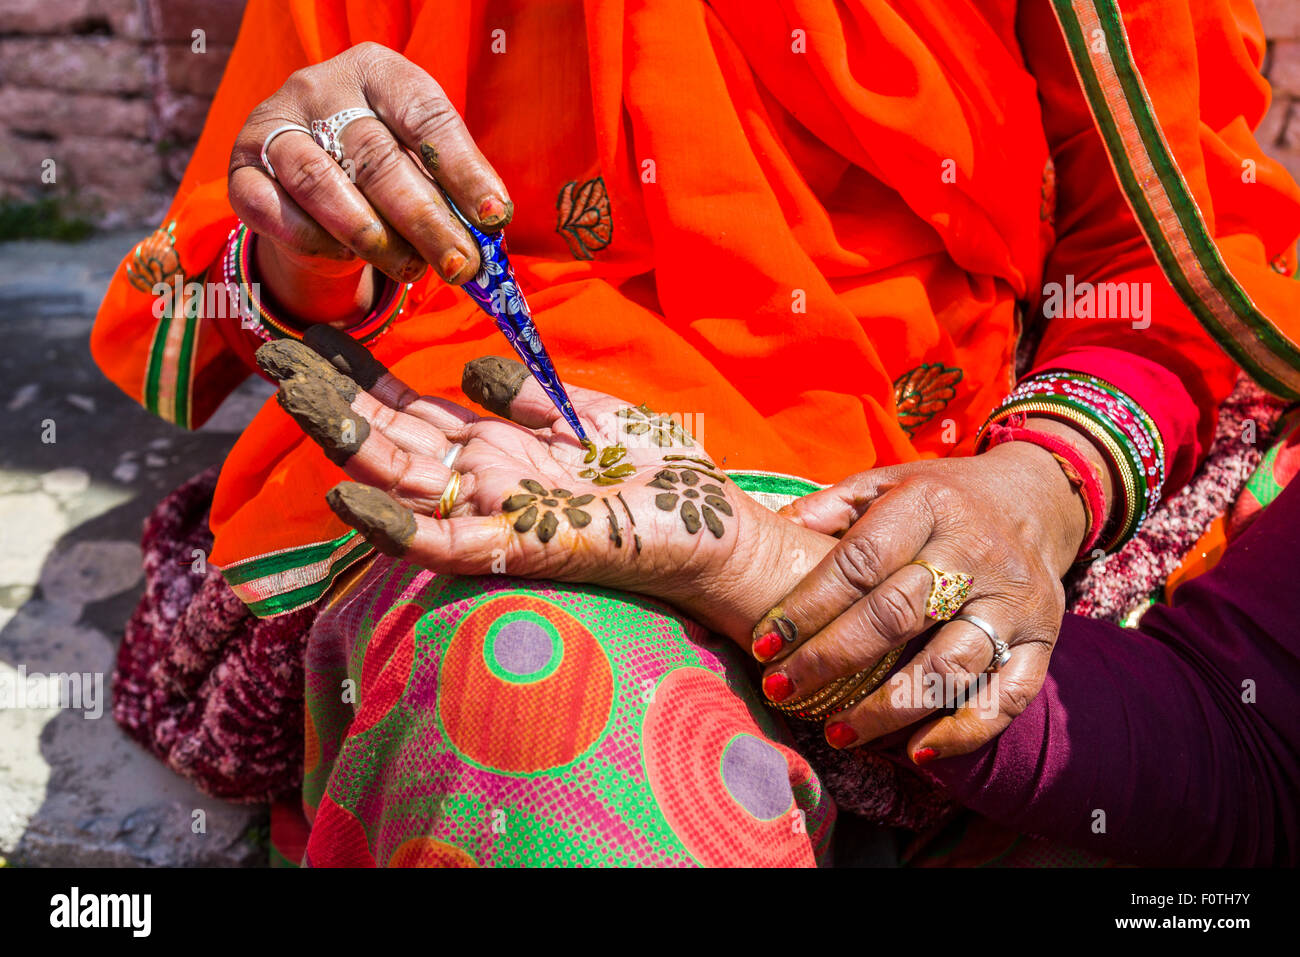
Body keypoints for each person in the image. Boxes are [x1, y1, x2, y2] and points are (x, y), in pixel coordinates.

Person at [91, 0, 1300, 865]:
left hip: (917, 455)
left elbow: (1156, 271)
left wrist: (1033, 492)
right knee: (523, 702)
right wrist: (314, 226)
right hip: (497, 447)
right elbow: (232, 297)